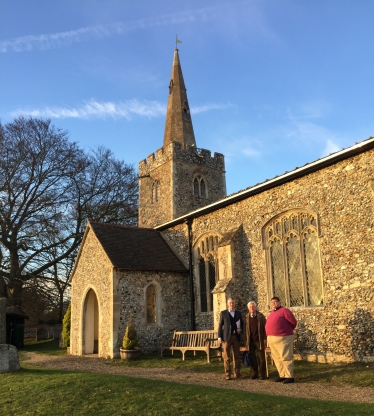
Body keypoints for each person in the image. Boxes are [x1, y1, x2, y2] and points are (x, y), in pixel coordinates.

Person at [265, 296, 297, 384]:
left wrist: (286, 330)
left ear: (279, 302)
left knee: (285, 357)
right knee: (277, 358)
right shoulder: (272, 313)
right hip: (272, 339)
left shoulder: (284, 311)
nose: (273, 303)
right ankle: (282, 375)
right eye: (272, 302)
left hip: (283, 338)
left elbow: (293, 322)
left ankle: (289, 376)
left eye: (275, 302)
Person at [218, 298, 244, 380]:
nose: (232, 304)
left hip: (236, 336)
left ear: (234, 303)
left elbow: (242, 324)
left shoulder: (238, 313)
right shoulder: (223, 313)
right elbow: (220, 326)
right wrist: (219, 337)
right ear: (227, 304)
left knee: (236, 356)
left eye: (233, 303)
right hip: (226, 337)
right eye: (230, 303)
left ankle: (237, 373)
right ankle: (227, 373)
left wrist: (241, 329)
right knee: (226, 356)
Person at [243, 301, 267, 380]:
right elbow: (245, 331)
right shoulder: (246, 317)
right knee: (252, 357)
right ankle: (254, 373)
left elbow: (265, 328)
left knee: (261, 358)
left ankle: (262, 373)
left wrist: (265, 338)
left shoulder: (260, 316)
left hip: (259, 340)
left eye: (253, 307)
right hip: (250, 341)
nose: (252, 308)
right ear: (248, 308)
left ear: (255, 307)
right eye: (250, 307)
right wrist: (246, 341)